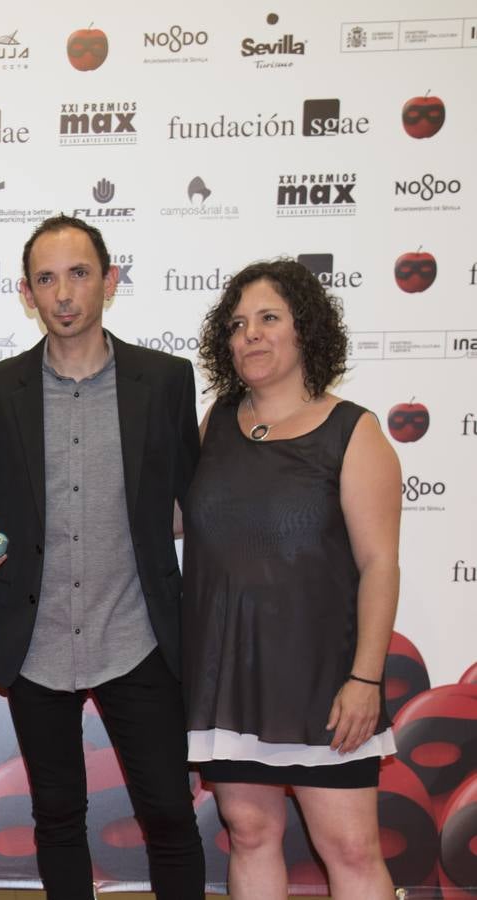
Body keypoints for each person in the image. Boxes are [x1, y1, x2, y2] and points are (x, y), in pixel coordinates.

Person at [0, 215, 205, 898]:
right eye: (45, 278)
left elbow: (193, 499)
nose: (63, 293)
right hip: (36, 639)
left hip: (138, 636)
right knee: (58, 819)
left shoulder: (167, 380)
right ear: (26, 293)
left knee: (168, 817)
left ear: (109, 281)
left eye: (79, 273)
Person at [183, 259, 401, 899]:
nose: (249, 334)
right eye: (238, 323)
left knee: (351, 849)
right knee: (249, 832)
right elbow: (175, 519)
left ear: (304, 330)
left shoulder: (353, 431)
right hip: (227, 677)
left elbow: (380, 566)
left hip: (323, 683)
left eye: (268, 318)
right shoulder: (217, 423)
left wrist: (365, 679)